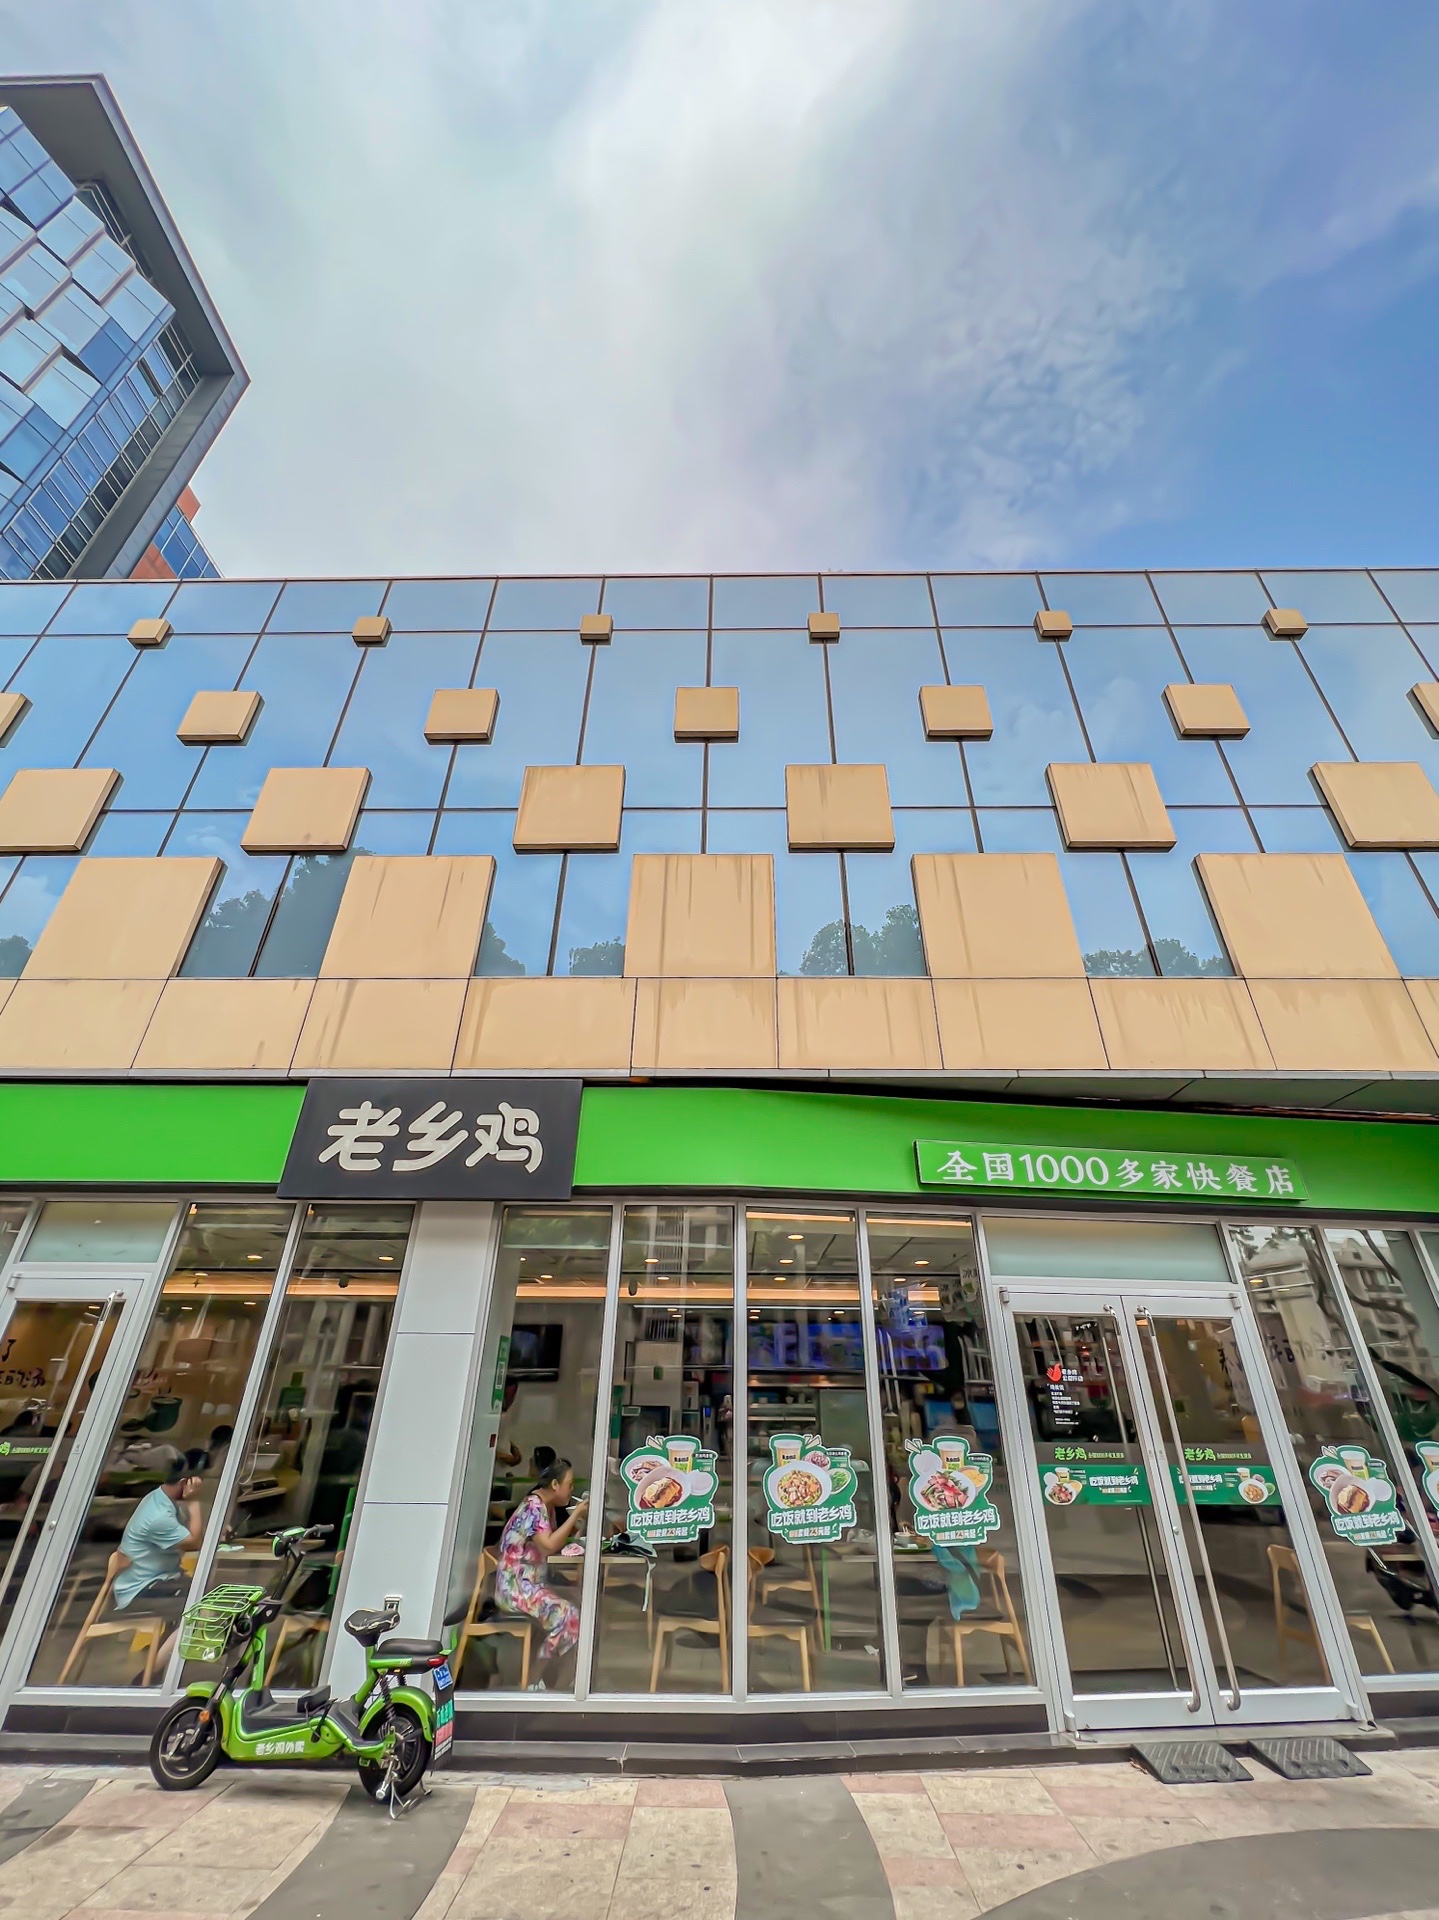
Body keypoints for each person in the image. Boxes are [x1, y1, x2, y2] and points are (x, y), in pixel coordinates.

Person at [493, 1457, 588, 1688]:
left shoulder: (545, 1507)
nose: (571, 1489)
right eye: (569, 1484)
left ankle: (567, 1677)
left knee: (580, 1602)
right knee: (570, 1615)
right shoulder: (534, 1507)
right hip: (516, 1588)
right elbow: (548, 1546)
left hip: (531, 1584)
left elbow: (554, 1542)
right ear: (555, 1484)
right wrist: (575, 1515)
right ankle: (534, 1679)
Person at [110, 1447, 205, 1671]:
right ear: (184, 1482)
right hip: (139, 1590)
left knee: (200, 1591)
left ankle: (158, 1665)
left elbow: (186, 1534)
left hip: (155, 1580)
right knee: (202, 1604)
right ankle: (152, 1672)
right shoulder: (158, 1516)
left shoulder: (159, 1499)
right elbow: (193, 1542)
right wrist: (194, 1502)